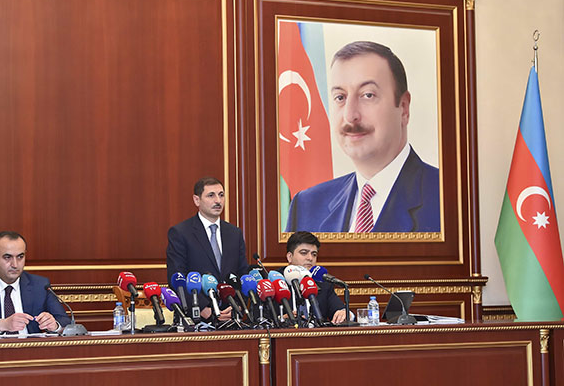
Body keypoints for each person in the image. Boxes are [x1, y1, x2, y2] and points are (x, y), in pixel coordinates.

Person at [285, 41, 440, 233]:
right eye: (340, 97)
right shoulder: (307, 207)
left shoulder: (449, 198)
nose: (350, 115)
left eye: (367, 95)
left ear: (403, 108)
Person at [0, 231, 70, 336]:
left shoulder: (40, 285)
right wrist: (1, 325)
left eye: (20, 257)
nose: (15, 264)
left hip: (31, 349)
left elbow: (66, 321)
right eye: (7, 257)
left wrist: (55, 325)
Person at [166, 177, 249, 321]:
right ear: (197, 200)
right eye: (211, 195)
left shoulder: (234, 233)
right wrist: (204, 309)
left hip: (231, 316)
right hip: (197, 318)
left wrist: (237, 306)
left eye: (221, 195)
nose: (218, 201)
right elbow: (177, 278)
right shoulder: (180, 233)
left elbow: (243, 274)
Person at [283, 231, 347, 324]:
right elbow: (264, 318)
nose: (310, 258)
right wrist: (281, 319)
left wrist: (344, 313)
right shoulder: (276, 282)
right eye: (304, 253)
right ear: (290, 256)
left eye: (314, 254)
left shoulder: (323, 283)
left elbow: (339, 310)